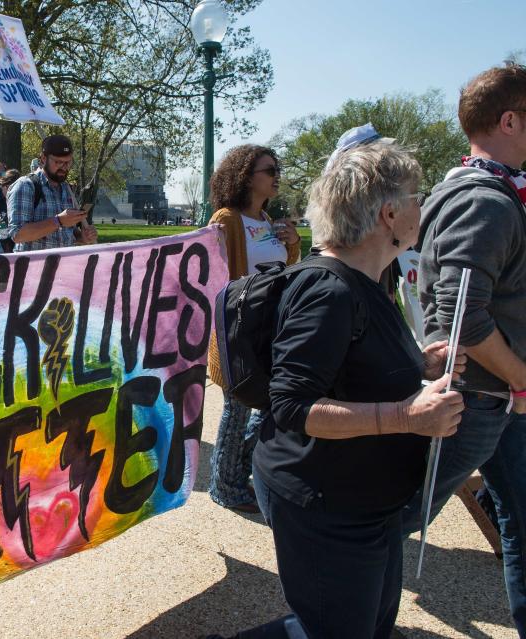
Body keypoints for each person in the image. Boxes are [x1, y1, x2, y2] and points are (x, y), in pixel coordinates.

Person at [215, 142, 464, 639]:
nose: (424, 206)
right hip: (325, 505)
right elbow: (291, 406)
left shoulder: (367, 278)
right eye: (417, 196)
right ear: (389, 214)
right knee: (335, 630)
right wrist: (406, 417)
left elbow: (350, 364)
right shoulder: (330, 291)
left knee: (370, 625)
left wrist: (419, 363)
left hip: (366, 499)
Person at [401, 63, 526, 635]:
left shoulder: (480, 190)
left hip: (494, 397)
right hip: (483, 398)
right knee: (390, 516)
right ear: (508, 120)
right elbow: (462, 319)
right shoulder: (487, 202)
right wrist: (522, 379)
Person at [205, 145, 301, 514]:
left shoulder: (266, 218)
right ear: (247, 176)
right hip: (238, 329)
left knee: (268, 405)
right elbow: (216, 275)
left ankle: (236, 474)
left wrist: (292, 246)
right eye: (269, 170)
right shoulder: (227, 220)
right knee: (238, 406)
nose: (277, 175)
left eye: (277, 168)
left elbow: (280, 271)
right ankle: (225, 486)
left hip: (271, 328)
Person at [7, 134, 97, 252]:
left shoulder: (66, 188)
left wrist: (82, 237)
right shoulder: (26, 185)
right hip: (34, 268)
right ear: (43, 158)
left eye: (68, 162)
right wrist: (58, 221)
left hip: (64, 267)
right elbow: (18, 234)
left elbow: (68, 232)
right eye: (59, 162)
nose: (64, 168)